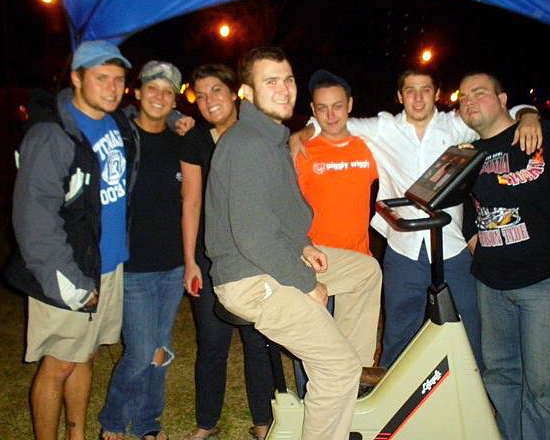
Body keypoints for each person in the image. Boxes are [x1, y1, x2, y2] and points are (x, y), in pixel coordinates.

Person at [292, 67, 542, 370]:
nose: (418, 97)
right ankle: (391, 402)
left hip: (451, 249)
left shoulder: (457, 125)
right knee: (399, 330)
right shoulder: (384, 128)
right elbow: (333, 119)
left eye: (425, 89)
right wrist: (305, 130)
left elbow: (497, 114)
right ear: (400, 96)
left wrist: (528, 113)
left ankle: (474, 395)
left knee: (468, 327)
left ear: (437, 93)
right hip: (403, 248)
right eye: (410, 90)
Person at [205, 47, 382, 440]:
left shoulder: (272, 139)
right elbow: (253, 237)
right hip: (250, 280)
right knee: (336, 368)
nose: (284, 89)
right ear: (246, 92)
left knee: (365, 270)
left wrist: (303, 245)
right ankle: (340, 373)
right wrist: (306, 283)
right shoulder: (248, 145)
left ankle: (348, 372)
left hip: (272, 261)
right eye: (271, 81)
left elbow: (282, 216)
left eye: (288, 80)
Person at [10, 40, 134, 440]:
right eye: (102, 79)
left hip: (108, 265)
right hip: (71, 269)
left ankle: (76, 435)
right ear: (77, 78)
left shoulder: (117, 124)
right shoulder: (53, 136)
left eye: (118, 80)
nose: (113, 88)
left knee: (85, 356)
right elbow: (34, 223)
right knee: (58, 364)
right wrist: (71, 284)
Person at [459, 72, 550, 440]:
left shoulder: (537, 135)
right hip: (492, 283)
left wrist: (531, 115)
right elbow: (465, 202)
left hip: (545, 280)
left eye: (479, 93)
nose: (469, 101)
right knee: (501, 375)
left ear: (503, 98)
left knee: (544, 385)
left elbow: (524, 188)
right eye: (462, 96)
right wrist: (471, 236)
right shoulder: (468, 153)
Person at [180, 64, 274, 440]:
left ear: (235, 92)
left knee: (256, 339)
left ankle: (264, 421)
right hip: (209, 255)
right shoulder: (195, 141)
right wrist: (190, 261)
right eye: (200, 95)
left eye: (216, 90)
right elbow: (190, 203)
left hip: (253, 254)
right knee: (213, 340)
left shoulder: (258, 135)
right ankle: (206, 422)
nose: (208, 101)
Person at [98, 61, 186, 440]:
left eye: (168, 91)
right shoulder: (119, 134)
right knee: (139, 351)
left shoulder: (181, 138)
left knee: (161, 348)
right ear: (137, 92)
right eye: (153, 88)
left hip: (173, 264)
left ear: (175, 99)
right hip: (133, 263)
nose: (160, 96)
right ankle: (114, 421)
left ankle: (148, 424)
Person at [292, 69, 382, 396]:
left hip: (355, 261)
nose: (330, 115)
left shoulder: (368, 149)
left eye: (337, 106)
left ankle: (350, 395)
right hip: (314, 258)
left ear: (350, 106)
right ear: (313, 111)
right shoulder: (302, 151)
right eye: (322, 108)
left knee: (347, 343)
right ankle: (310, 406)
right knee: (313, 346)